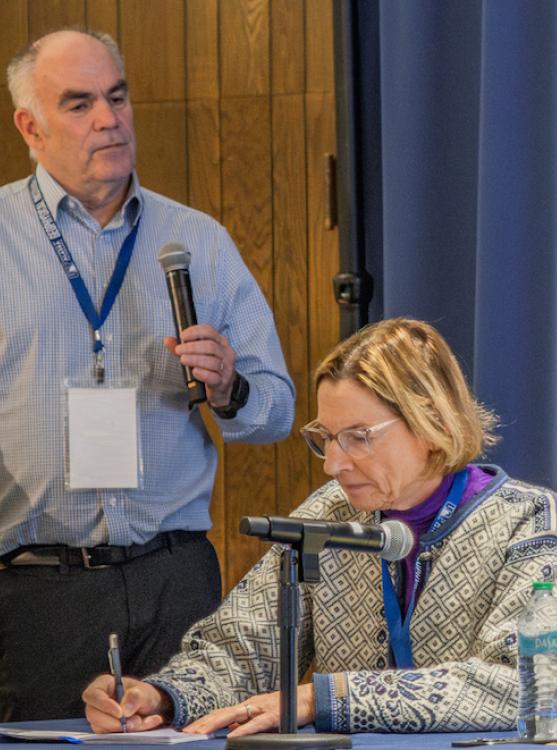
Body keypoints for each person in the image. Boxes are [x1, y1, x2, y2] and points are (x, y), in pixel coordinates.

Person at [83, 318, 557, 735]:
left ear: (431, 425)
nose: (333, 464)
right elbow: (241, 649)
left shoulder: (530, 522)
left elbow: (518, 685)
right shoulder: (330, 515)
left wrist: (325, 698)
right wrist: (163, 696)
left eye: (357, 437)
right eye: (325, 437)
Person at [0, 28, 294, 721]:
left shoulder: (198, 241)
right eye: (79, 105)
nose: (109, 119)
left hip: (174, 578)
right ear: (29, 126)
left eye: (118, 96)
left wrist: (230, 388)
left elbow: (277, 408)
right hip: (35, 589)